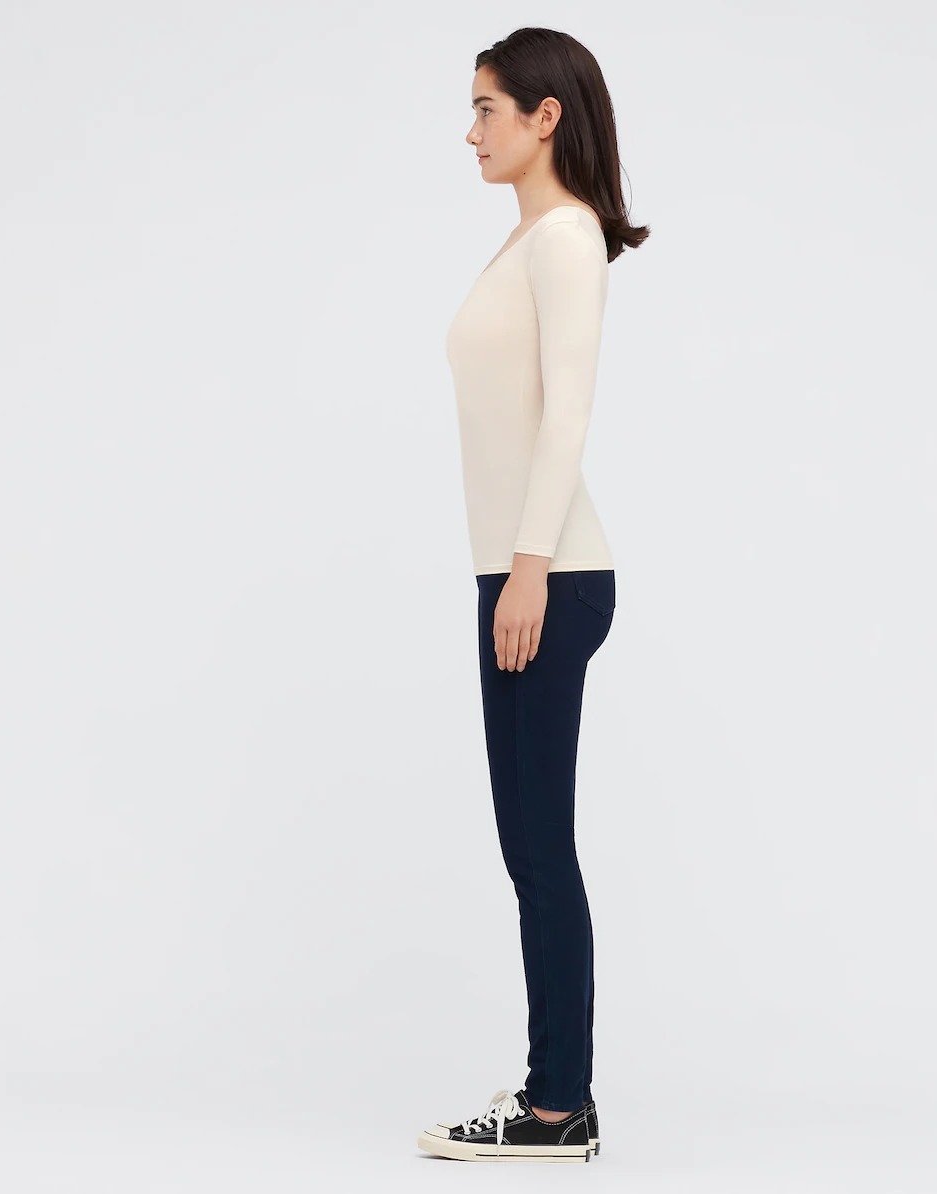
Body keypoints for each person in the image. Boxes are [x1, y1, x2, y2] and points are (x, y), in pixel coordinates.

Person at [416, 27, 650, 1164]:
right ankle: (556, 1098)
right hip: (521, 570)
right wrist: (514, 567)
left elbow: (570, 412)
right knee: (529, 849)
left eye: (486, 108)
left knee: (540, 850)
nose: (470, 132)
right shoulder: (525, 241)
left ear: (544, 116)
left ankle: (556, 1107)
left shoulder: (565, 237)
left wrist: (528, 567)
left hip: (547, 574)